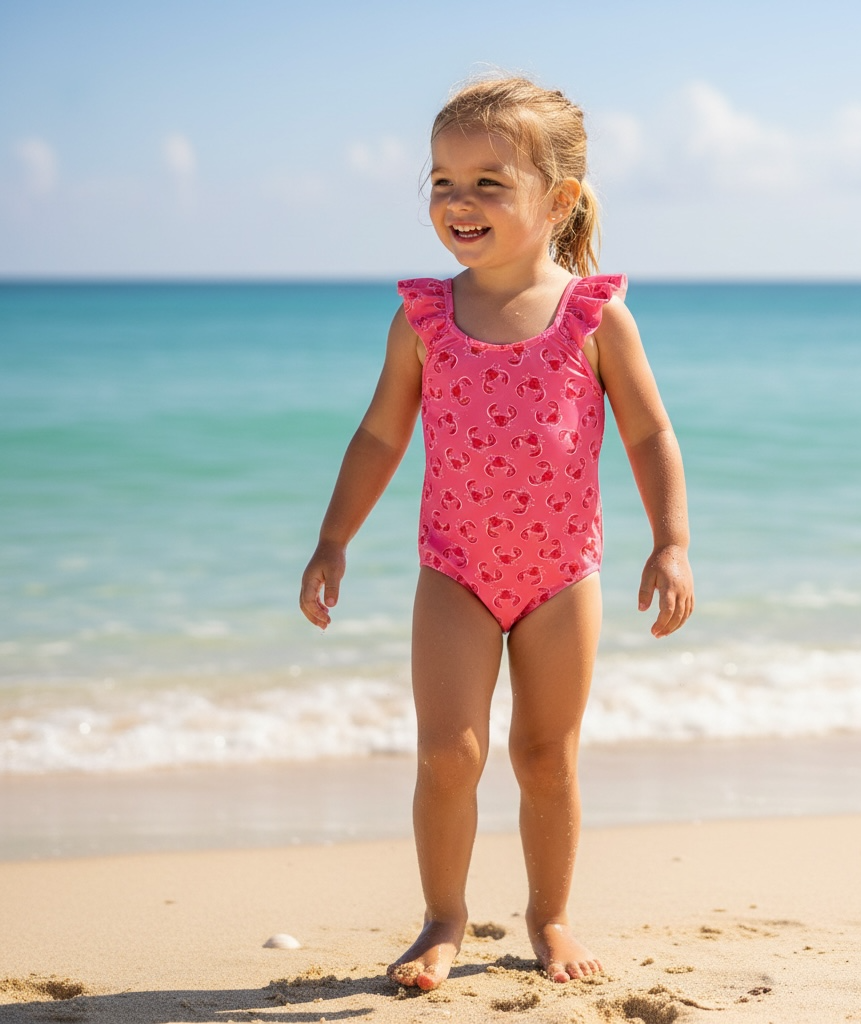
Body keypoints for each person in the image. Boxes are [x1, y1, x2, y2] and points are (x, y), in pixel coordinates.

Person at [300, 76, 694, 990]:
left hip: (563, 575)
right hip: (456, 569)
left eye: (487, 180)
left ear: (557, 200)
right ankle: (443, 918)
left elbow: (650, 433)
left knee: (544, 758)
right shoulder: (425, 317)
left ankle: (551, 916)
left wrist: (669, 541)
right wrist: (334, 538)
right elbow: (380, 433)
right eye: (442, 180)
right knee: (450, 753)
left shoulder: (593, 317)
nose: (458, 201)